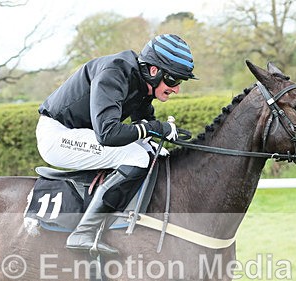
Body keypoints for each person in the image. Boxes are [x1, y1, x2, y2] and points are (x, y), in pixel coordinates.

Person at [36, 34, 196, 255]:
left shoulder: (142, 83)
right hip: (58, 135)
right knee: (137, 157)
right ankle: (84, 232)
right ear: (154, 71)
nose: (177, 89)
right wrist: (157, 129)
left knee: (155, 152)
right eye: (173, 80)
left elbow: (144, 125)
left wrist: (162, 134)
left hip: (84, 133)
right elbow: (108, 134)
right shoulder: (114, 72)